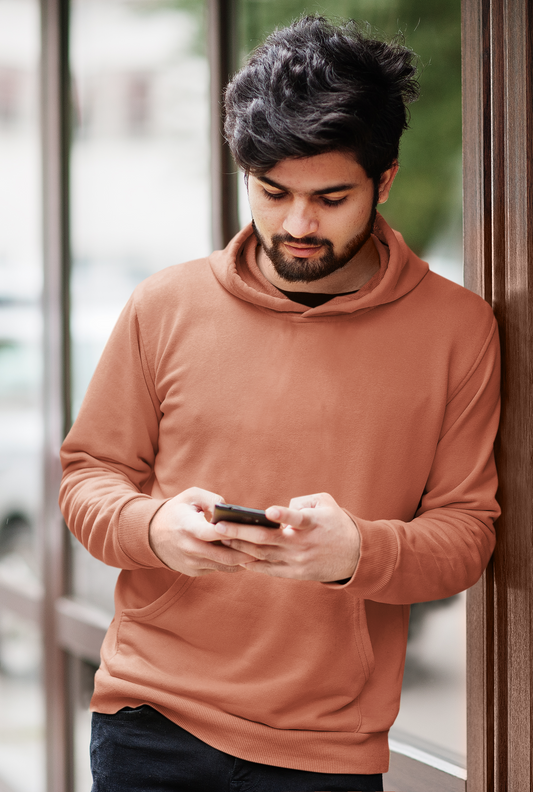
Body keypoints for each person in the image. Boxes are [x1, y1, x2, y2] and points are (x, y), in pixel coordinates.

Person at [59, 15, 500, 792]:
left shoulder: (456, 330)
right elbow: (86, 479)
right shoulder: (164, 306)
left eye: (330, 198)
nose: (297, 225)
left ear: (384, 181)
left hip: (326, 756)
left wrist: (355, 555)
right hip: (148, 725)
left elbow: (466, 536)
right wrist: (154, 528)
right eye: (272, 193)